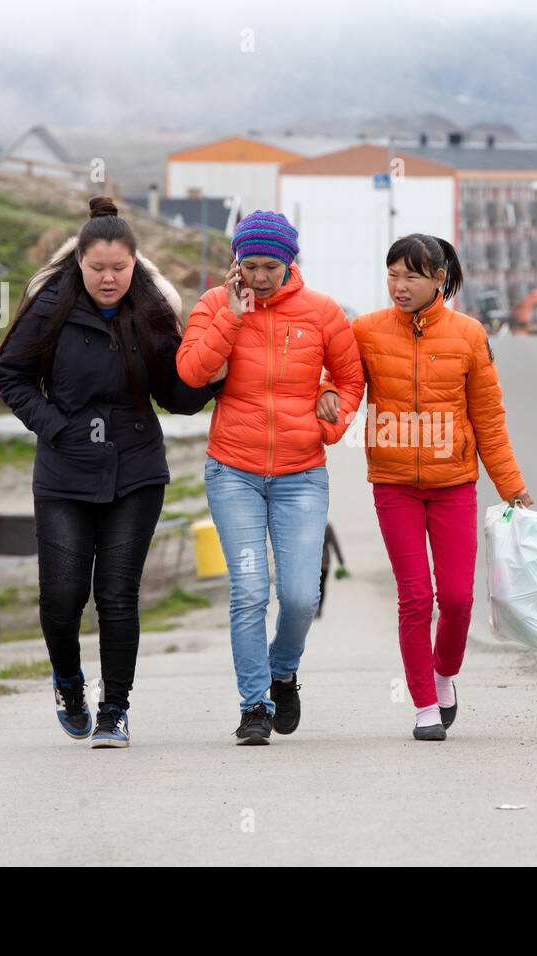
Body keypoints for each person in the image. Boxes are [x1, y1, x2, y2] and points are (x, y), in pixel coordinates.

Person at [0, 197, 226, 749]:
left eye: (119, 268)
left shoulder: (151, 312)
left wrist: (212, 378)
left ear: (135, 263)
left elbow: (173, 393)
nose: (108, 278)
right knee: (62, 597)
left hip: (136, 472)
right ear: (79, 262)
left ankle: (114, 710)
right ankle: (69, 684)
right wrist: (57, 427)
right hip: (64, 474)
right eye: (97, 268)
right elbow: (11, 375)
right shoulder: (49, 308)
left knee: (118, 595)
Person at [318, 234, 532, 741]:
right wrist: (329, 395)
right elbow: (342, 379)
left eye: (411, 276)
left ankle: (443, 673)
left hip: (454, 483)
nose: (399, 286)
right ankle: (424, 708)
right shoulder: (365, 330)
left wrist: (512, 485)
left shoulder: (469, 335)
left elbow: (489, 419)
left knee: (456, 599)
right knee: (416, 597)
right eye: (392, 275)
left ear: (439, 279)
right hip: (394, 485)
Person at [176, 210, 364, 745]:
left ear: (289, 263)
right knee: (251, 590)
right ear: (235, 263)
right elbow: (189, 372)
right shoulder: (215, 304)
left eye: (270, 267)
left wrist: (331, 421)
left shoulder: (323, 312)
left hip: (301, 474)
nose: (259, 277)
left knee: (302, 594)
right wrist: (233, 316)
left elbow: (352, 378)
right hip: (233, 470)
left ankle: (284, 671)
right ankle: (254, 703)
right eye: (249, 266)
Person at [316, 522, 347, 619]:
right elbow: (335, 544)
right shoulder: (327, 526)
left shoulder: (311, 524)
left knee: (313, 587)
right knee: (322, 586)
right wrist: (341, 561)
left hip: (312, 562)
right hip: (325, 562)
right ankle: (319, 608)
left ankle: (313, 608)